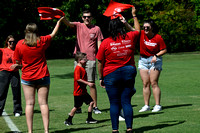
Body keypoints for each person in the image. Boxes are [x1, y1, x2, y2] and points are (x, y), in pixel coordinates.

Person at [11, 17, 64, 133]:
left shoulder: (20, 44)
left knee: (29, 104)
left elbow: (18, 63)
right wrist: (58, 22)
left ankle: (30, 131)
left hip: (28, 78)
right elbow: (53, 34)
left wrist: (17, 67)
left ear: (26, 32)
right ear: (37, 31)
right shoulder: (42, 41)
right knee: (43, 103)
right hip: (43, 76)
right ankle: (46, 131)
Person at [96, 7, 140, 133]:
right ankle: (129, 129)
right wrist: (133, 16)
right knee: (126, 101)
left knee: (114, 103)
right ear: (121, 26)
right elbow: (137, 30)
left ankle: (115, 130)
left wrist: (101, 77)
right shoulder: (130, 37)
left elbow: (100, 62)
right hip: (128, 72)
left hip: (111, 74)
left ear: (110, 28)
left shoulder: (105, 42)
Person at [63, 10, 104, 114]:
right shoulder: (78, 25)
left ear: (92, 18)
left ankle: (95, 106)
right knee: (79, 84)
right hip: (79, 61)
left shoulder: (96, 28)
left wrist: (100, 57)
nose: (87, 18)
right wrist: (61, 17)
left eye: (89, 17)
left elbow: (99, 44)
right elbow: (68, 23)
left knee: (91, 84)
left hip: (91, 59)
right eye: (85, 17)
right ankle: (78, 106)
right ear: (82, 18)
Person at [138, 19, 167, 113]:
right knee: (145, 83)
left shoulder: (158, 37)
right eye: (144, 27)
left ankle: (158, 105)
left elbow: (164, 50)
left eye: (148, 27)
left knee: (153, 82)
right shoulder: (141, 34)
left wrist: (156, 56)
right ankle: (146, 105)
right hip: (143, 60)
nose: (145, 29)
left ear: (152, 28)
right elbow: (132, 28)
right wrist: (125, 21)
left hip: (155, 60)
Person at [64, 52, 98, 126]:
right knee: (76, 107)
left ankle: (89, 119)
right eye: (85, 59)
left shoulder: (82, 68)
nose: (86, 60)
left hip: (83, 92)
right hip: (78, 92)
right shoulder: (78, 68)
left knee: (91, 102)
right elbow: (78, 79)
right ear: (79, 60)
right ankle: (68, 120)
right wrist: (88, 83)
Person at [0, 35, 22, 117]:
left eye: (13, 42)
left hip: (15, 73)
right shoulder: (2, 50)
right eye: (10, 42)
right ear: (7, 42)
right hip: (4, 73)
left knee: (16, 92)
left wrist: (17, 66)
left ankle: (17, 110)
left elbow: (22, 65)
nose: (12, 43)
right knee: (1, 93)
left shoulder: (18, 51)